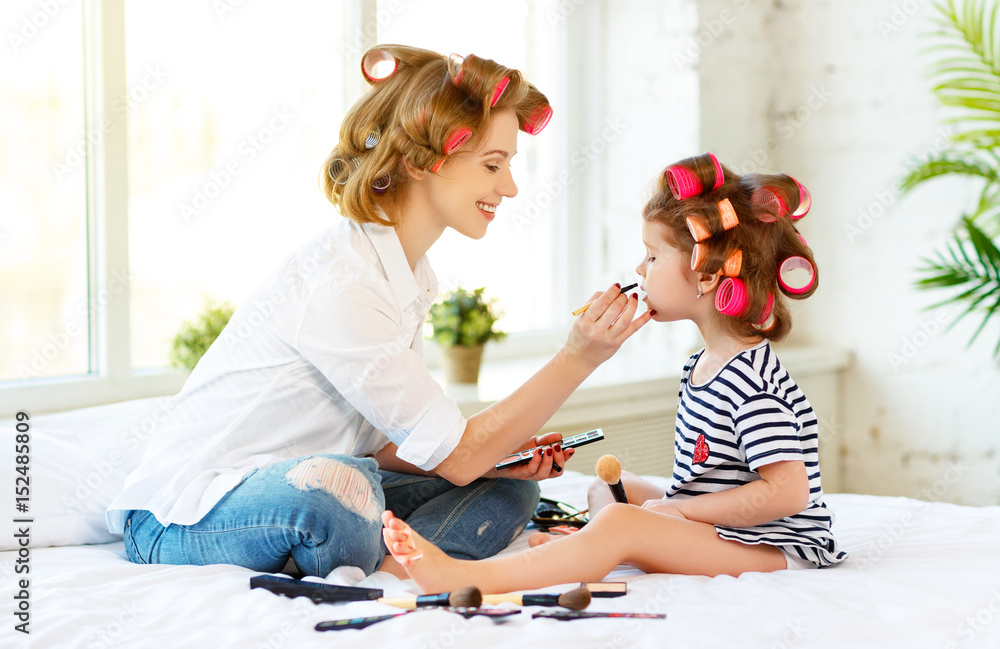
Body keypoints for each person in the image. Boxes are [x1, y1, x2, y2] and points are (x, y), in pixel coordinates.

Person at [105, 44, 651, 579]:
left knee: (508, 483)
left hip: (337, 479)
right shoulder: (344, 281)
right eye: (492, 164)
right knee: (336, 492)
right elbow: (455, 456)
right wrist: (580, 357)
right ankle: (371, 547)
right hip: (186, 515)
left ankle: (389, 561)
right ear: (420, 162)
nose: (508, 187)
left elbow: (394, 446)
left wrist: (502, 452)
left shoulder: (409, 274)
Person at [381, 153, 848, 593]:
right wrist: (675, 509)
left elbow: (788, 494)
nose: (639, 268)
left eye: (652, 256)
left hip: (775, 547)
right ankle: (590, 546)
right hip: (725, 527)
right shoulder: (701, 364)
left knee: (623, 522)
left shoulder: (752, 384)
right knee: (608, 485)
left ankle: (469, 577)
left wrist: (679, 510)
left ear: (706, 276)